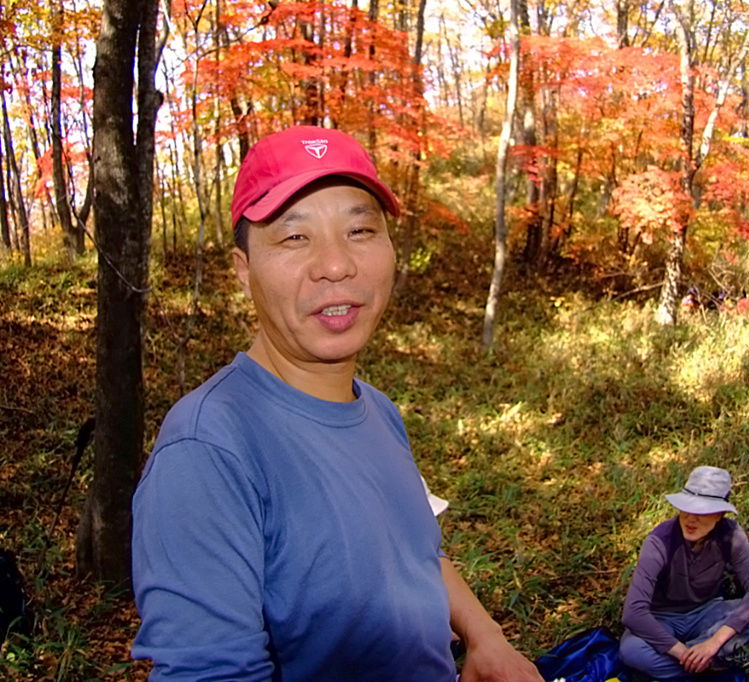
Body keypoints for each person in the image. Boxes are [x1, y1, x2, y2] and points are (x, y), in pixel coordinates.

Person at [131, 126, 542, 682]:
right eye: (295, 237)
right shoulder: (209, 449)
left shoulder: (378, 411)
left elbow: (412, 554)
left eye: (359, 229)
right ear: (242, 271)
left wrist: (484, 635)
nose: (336, 264)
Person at [619, 466, 749, 680]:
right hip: (663, 618)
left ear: (720, 515)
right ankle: (708, 664)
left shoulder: (730, 534)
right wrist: (682, 652)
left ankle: (700, 660)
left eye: (701, 512)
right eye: (686, 509)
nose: (690, 519)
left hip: (707, 612)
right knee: (631, 650)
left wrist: (714, 643)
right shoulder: (659, 541)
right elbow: (633, 612)